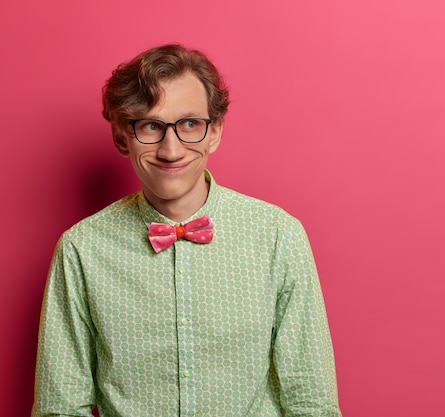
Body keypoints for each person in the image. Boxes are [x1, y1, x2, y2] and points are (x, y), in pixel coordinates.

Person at [32, 44, 342, 417]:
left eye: (190, 124)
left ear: (215, 132)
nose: (171, 149)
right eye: (150, 126)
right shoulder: (81, 249)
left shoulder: (278, 236)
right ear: (120, 137)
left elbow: (313, 402)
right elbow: (60, 407)